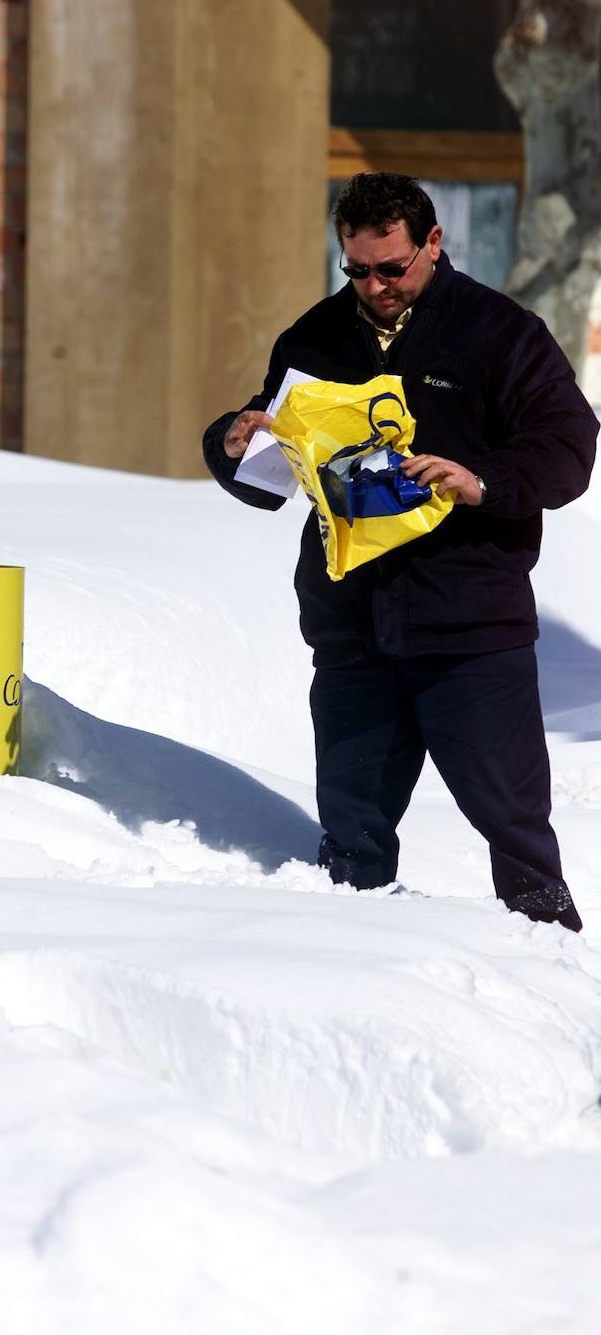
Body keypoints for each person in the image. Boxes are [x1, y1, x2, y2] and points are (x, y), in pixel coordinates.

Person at [203, 172, 598, 932]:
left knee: (515, 832)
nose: (375, 285)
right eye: (356, 269)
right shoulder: (315, 339)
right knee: (351, 846)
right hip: (352, 628)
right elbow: (269, 480)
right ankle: (354, 982)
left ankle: (558, 972)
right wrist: (232, 441)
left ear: (433, 243)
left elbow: (569, 450)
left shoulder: (501, 333)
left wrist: (478, 479)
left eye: (393, 268)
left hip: (471, 629)